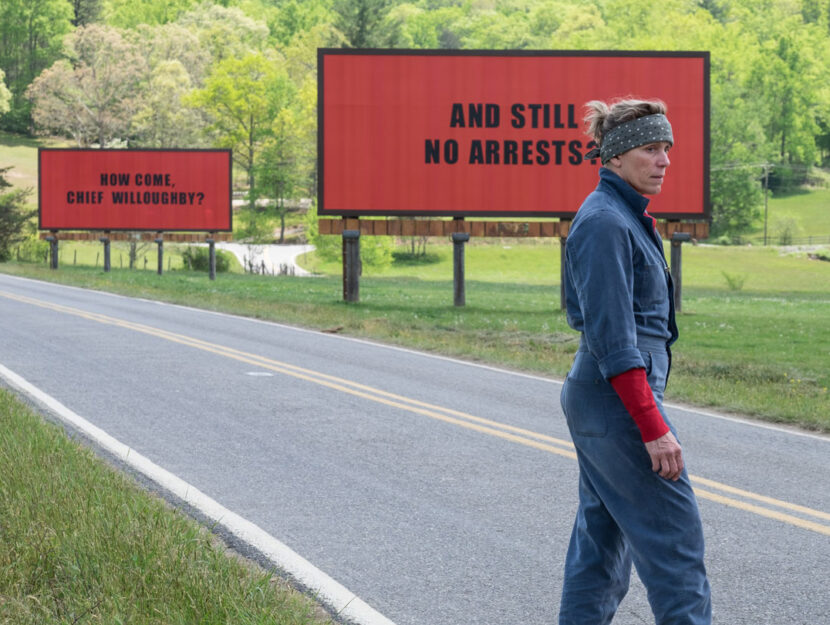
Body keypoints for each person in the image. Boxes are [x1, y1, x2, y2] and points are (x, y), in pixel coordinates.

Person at [558, 98, 711, 625]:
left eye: (667, 148)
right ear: (616, 157)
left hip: (608, 398)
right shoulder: (604, 223)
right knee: (675, 545)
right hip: (616, 398)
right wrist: (652, 426)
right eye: (651, 148)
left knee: (601, 546)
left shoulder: (623, 216)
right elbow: (614, 341)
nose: (664, 160)